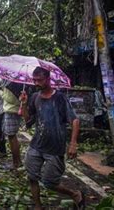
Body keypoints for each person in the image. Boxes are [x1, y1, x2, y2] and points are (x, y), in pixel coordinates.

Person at [20, 67, 84, 210]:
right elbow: (28, 121)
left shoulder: (60, 98)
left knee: (49, 182)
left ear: (48, 79)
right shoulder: (35, 97)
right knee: (31, 176)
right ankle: (38, 206)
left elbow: (75, 120)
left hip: (55, 147)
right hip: (36, 144)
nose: (36, 83)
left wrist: (73, 144)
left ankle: (74, 194)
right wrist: (24, 104)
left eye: (39, 80)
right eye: (34, 80)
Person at [0, 81, 25, 169]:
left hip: (12, 112)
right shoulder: (10, 82)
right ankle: (17, 162)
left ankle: (16, 163)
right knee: (12, 137)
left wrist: (0, 91)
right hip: (11, 111)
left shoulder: (14, 83)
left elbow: (11, 99)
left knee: (12, 137)